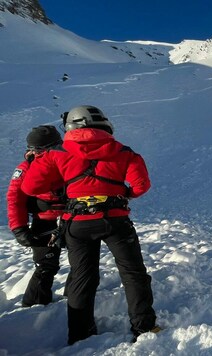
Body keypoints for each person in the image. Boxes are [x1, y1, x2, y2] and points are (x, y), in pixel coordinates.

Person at [20, 105, 158, 344]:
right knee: (133, 273)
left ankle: (80, 335)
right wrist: (124, 192)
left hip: (77, 223)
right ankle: (144, 328)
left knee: (83, 277)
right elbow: (141, 185)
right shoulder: (123, 151)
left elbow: (30, 187)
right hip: (115, 219)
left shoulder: (56, 153)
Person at [6, 125, 65, 307]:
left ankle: (76, 298)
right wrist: (19, 228)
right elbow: (14, 199)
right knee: (46, 265)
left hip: (71, 219)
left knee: (82, 263)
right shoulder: (25, 169)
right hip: (45, 222)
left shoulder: (68, 163)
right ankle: (34, 307)